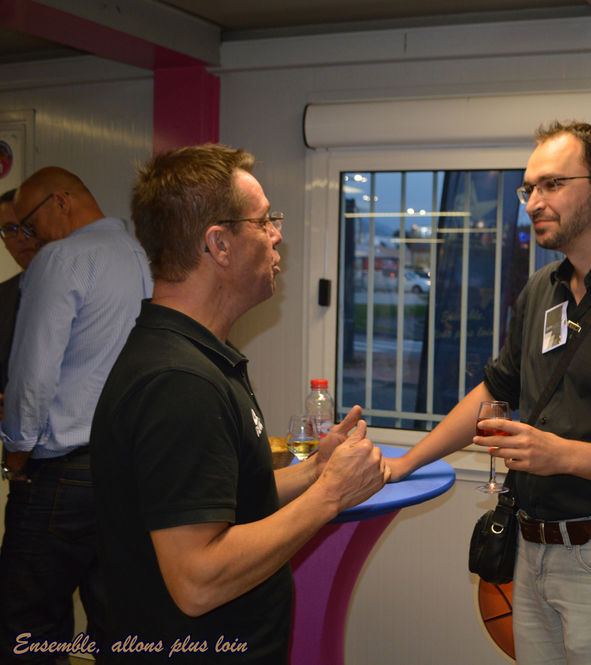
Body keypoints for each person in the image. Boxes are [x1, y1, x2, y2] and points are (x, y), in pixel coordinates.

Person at [89, 144, 389, 663]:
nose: (277, 235)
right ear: (220, 245)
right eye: (264, 221)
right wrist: (330, 496)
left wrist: (316, 471)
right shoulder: (179, 383)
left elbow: (230, 499)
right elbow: (197, 581)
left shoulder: (201, 358)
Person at [388, 121, 591, 665]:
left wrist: (561, 455)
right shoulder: (543, 289)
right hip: (529, 549)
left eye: (553, 184)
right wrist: (404, 464)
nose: (534, 202)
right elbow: (495, 389)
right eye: (529, 188)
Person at [0, 168, 154, 662]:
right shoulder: (141, 255)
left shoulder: (61, 259)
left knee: (28, 632)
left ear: (60, 202)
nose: (29, 238)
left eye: (29, 224)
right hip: (128, 472)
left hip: (61, 476)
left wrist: (16, 456)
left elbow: (32, 376)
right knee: (118, 628)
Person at [0, 188, 43, 420]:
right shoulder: (3, 295)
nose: (21, 237)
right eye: (10, 229)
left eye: (28, 226)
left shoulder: (82, 289)